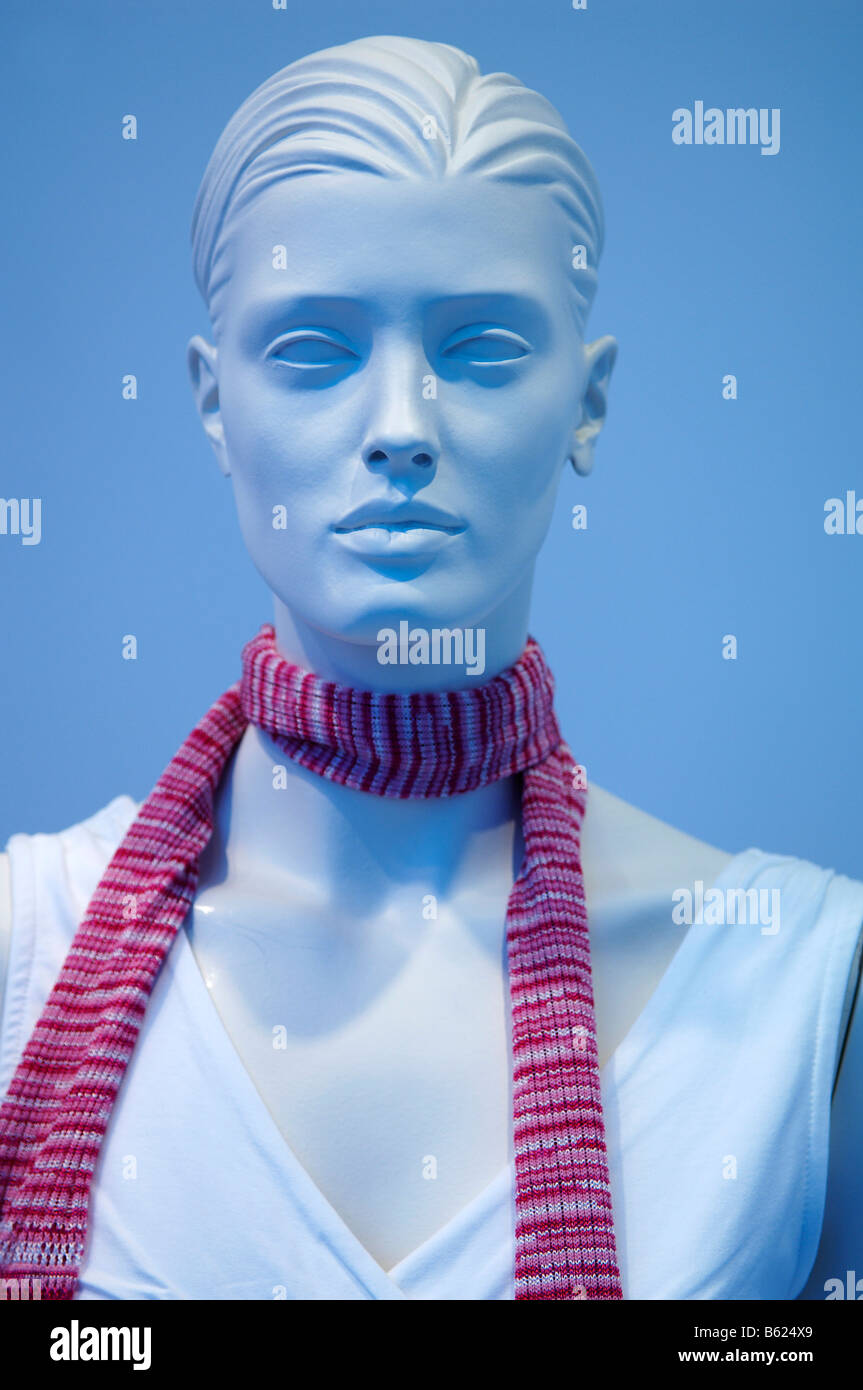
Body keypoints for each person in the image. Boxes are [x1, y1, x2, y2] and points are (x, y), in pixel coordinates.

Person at [0, 35, 860, 1301]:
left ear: (589, 400)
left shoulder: (798, 992)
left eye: (482, 347)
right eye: (311, 350)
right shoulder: (24, 947)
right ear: (211, 402)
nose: (401, 427)